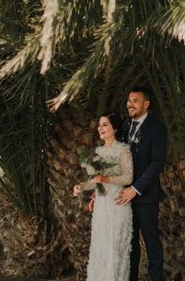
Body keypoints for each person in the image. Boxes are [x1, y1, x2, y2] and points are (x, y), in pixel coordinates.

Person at [73, 112, 134, 281]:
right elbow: (96, 181)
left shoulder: (123, 150)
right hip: (101, 208)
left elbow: (128, 177)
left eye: (105, 124)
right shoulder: (97, 152)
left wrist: (106, 178)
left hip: (117, 205)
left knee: (115, 251)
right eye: (99, 125)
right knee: (101, 250)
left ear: (114, 128)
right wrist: (82, 186)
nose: (100, 128)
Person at [115, 86, 167, 281]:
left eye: (135, 101)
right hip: (124, 198)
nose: (130, 104)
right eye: (129, 100)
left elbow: (157, 163)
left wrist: (135, 190)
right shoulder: (125, 126)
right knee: (131, 246)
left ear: (146, 104)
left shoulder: (157, 128)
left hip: (145, 197)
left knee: (152, 245)